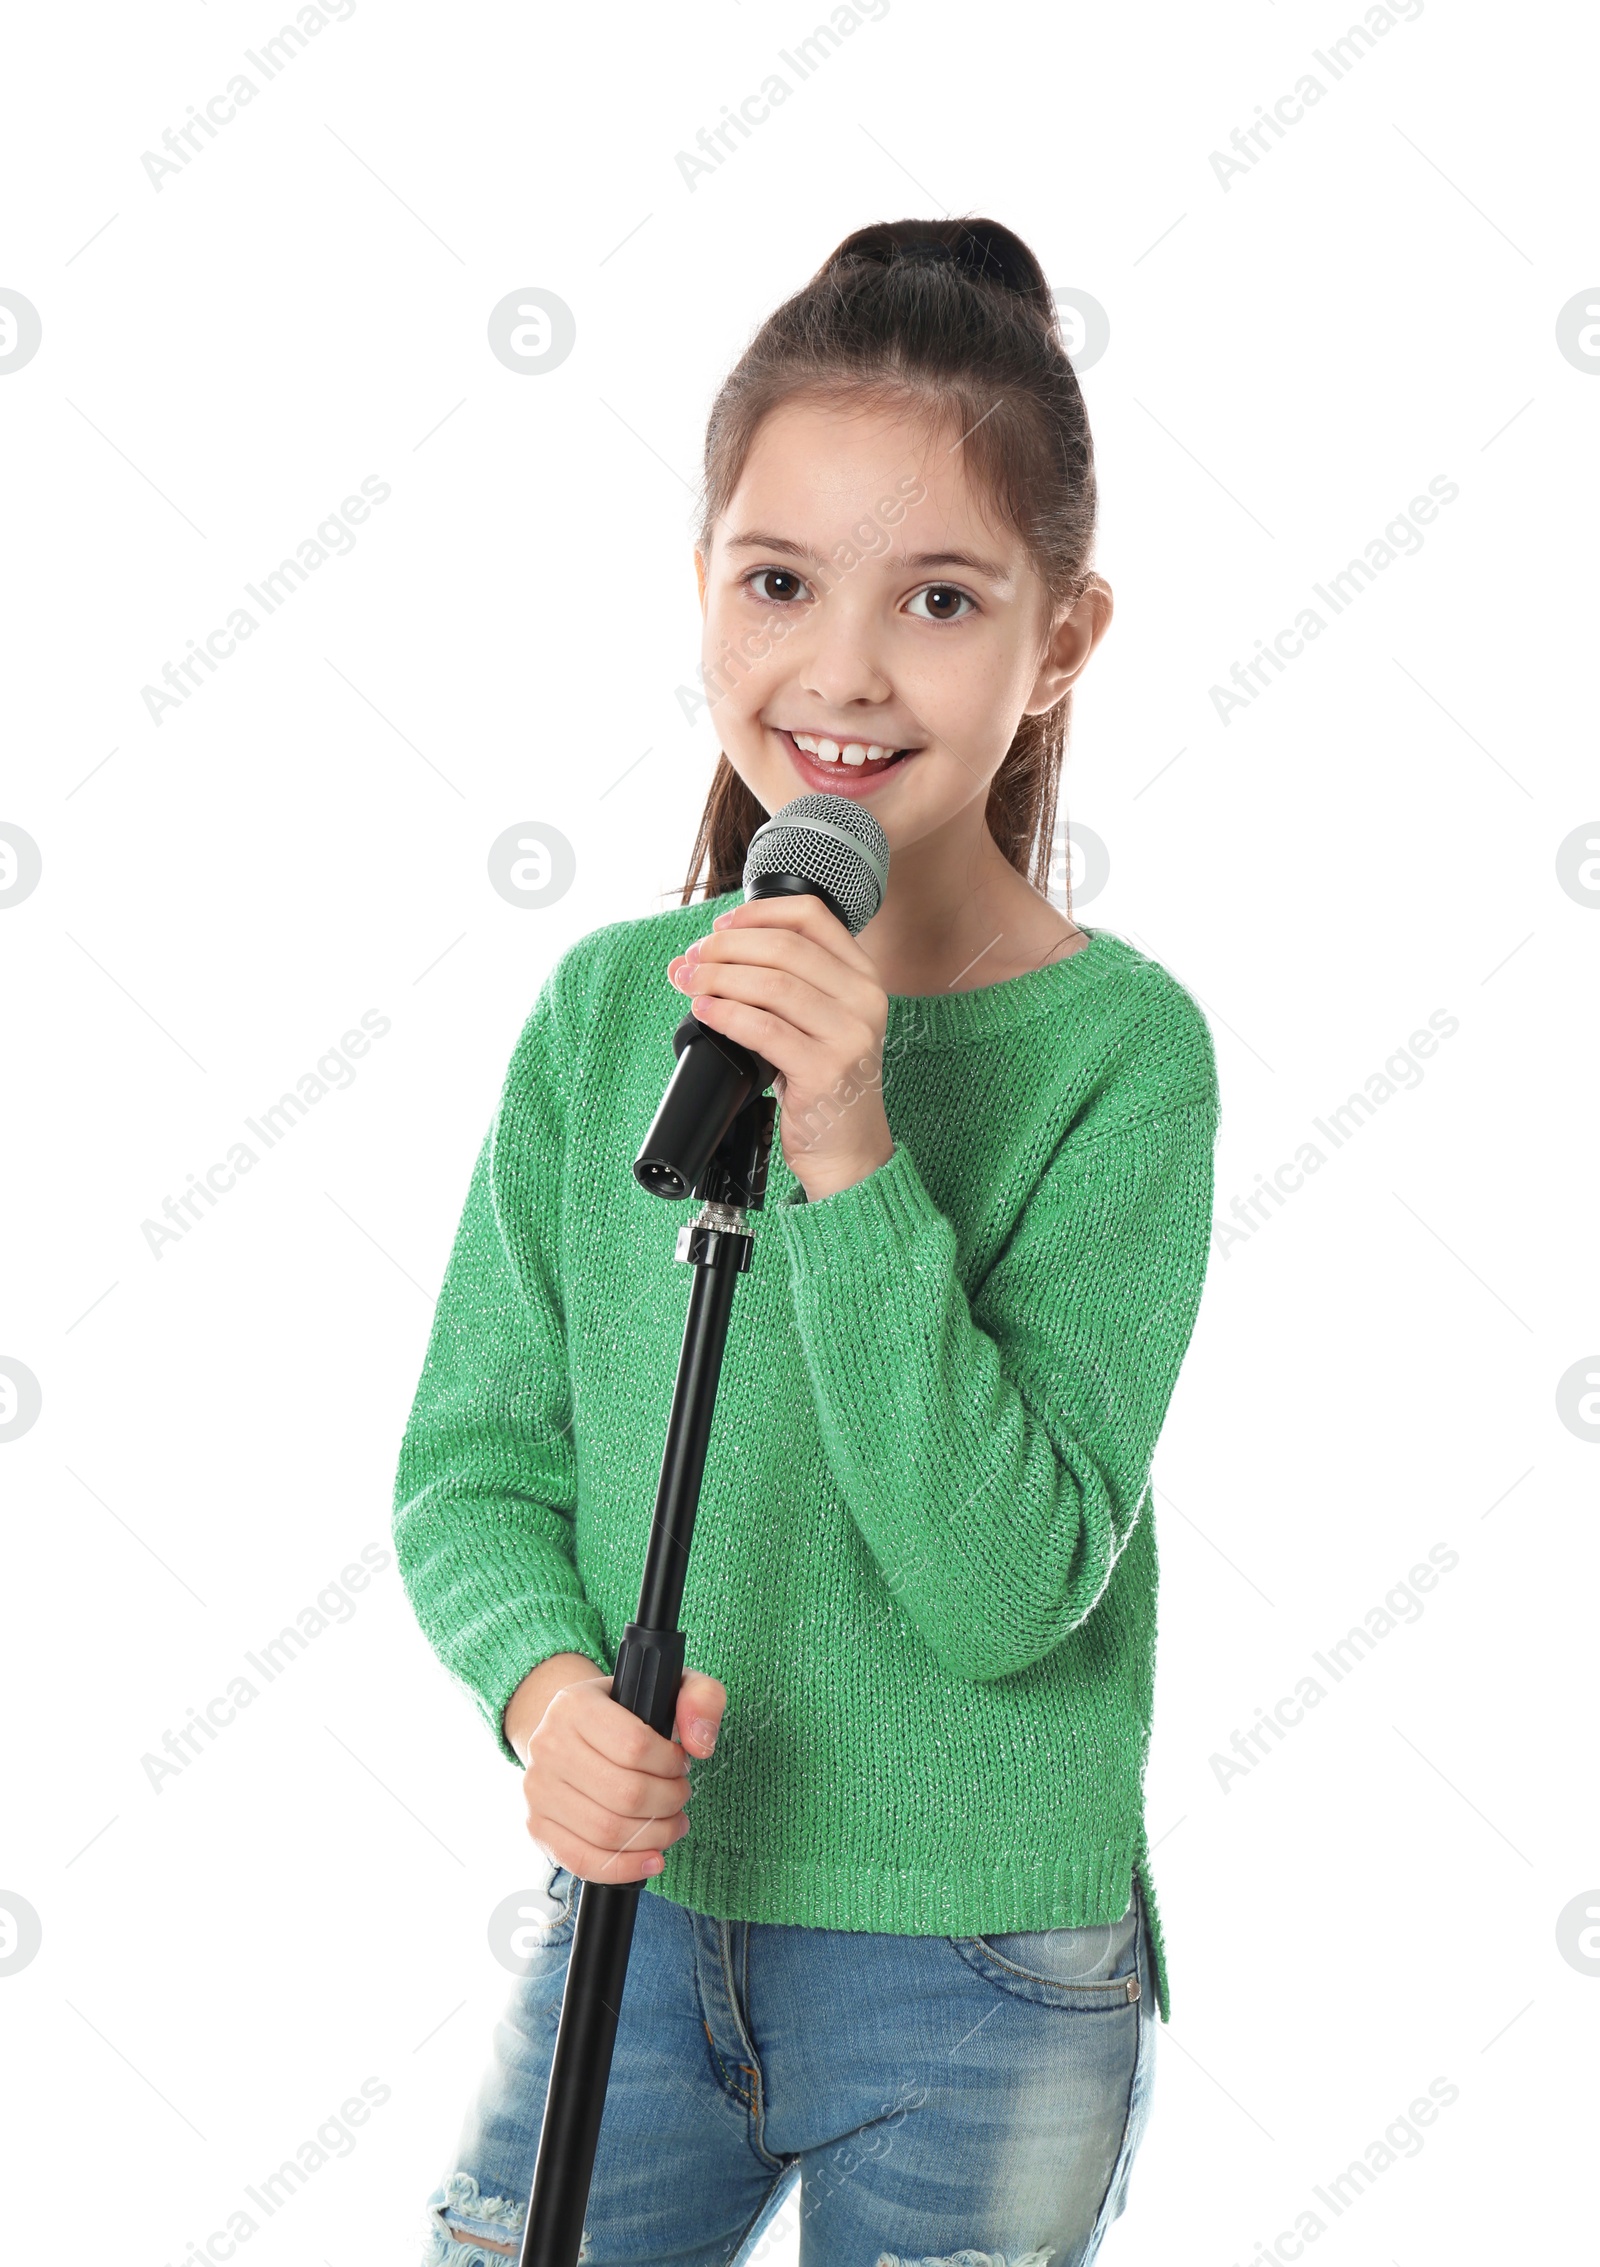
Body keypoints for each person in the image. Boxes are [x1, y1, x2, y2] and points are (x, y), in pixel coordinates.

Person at [393, 215, 1220, 2266]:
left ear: (1059, 638)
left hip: (976, 1973)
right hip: (646, 1931)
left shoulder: (1119, 1056)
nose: (840, 670)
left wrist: (850, 1146)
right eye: (777, 582)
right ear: (702, 592)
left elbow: (1002, 1583)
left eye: (938, 598)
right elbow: (473, 1468)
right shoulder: (610, 1014)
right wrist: (543, 1701)